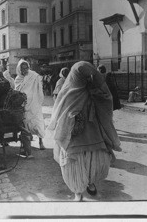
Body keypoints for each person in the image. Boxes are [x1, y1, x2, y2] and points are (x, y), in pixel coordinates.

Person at [47, 61, 121, 201]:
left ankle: (91, 182)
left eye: (89, 77)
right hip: (74, 133)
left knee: (93, 158)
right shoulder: (67, 92)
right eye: (84, 77)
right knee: (74, 161)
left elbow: (106, 101)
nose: (87, 79)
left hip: (93, 132)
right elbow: (60, 112)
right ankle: (77, 191)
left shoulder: (93, 90)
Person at [14, 60, 46, 157]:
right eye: (23, 68)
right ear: (19, 69)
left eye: (26, 68)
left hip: (34, 103)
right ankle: (27, 144)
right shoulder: (17, 79)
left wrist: (39, 98)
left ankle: (41, 142)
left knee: (38, 122)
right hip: (24, 104)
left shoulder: (34, 75)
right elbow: (17, 91)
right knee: (26, 124)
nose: (25, 70)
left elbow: (39, 87)